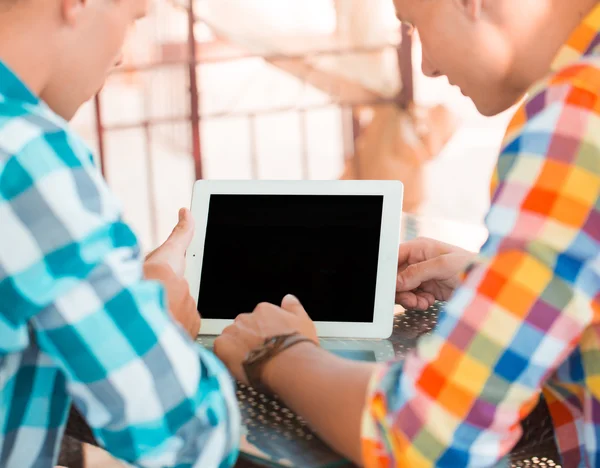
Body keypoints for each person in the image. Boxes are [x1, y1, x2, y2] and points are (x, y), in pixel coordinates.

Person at [214, 0, 600, 466]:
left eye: (416, 24)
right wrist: (499, 284)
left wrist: (276, 353)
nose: (428, 66)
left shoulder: (576, 117)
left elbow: (429, 437)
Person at [0, 1, 239, 467]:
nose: (121, 55)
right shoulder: (26, 156)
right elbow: (192, 436)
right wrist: (160, 318)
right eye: (132, 18)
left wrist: (119, 290)